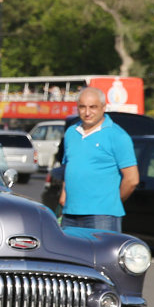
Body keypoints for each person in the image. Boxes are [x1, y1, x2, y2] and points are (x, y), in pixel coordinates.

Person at [59, 87, 138, 231]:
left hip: (102, 216)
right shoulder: (71, 132)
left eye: (93, 107)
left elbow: (132, 179)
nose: (87, 112)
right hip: (70, 213)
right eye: (82, 107)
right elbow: (69, 166)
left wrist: (111, 202)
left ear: (103, 107)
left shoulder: (118, 136)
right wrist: (64, 195)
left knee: (101, 254)